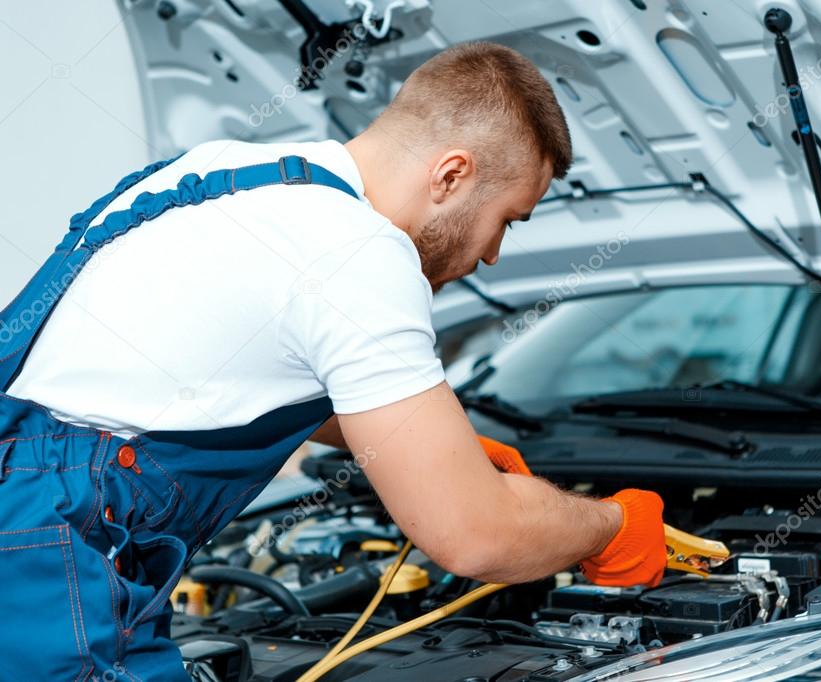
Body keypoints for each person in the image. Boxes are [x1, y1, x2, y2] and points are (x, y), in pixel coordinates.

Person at [0, 42, 665, 680]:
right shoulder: (358, 253)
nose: (492, 255)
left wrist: (437, 452)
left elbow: (213, 379)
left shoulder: (210, 172)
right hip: (53, 559)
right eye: (509, 220)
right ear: (451, 174)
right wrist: (606, 526)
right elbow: (474, 538)